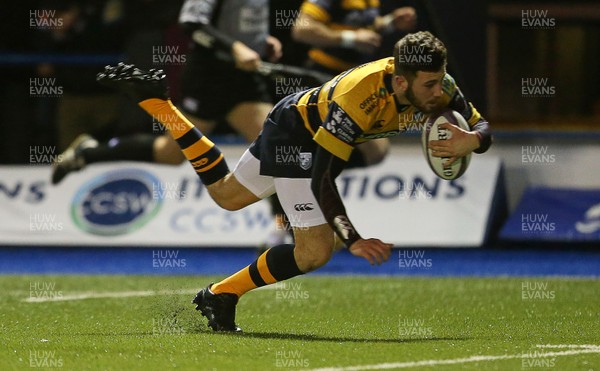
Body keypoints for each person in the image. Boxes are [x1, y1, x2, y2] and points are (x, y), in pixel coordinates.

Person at [97, 31, 492, 332]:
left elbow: (481, 126)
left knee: (227, 196)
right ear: (401, 82)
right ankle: (223, 295)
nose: (439, 92)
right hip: (297, 135)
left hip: (295, 117)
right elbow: (323, 176)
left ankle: (161, 108)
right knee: (317, 250)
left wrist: (471, 140)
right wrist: (353, 238)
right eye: (430, 85)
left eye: (441, 81)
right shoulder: (361, 97)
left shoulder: (441, 86)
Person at [290, 0, 418, 171]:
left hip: (351, 81)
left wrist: (390, 22)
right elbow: (301, 30)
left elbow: (364, 26)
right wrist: (349, 39)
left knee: (376, 151)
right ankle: (300, 173)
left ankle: (303, 173)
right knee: (374, 149)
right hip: (322, 79)